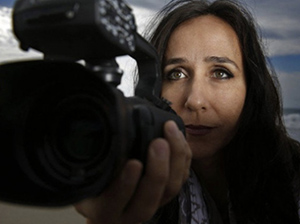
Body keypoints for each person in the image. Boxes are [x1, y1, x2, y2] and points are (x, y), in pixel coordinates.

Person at [74, 0, 300, 223]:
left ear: (251, 87)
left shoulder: (294, 177)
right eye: (176, 74)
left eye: (220, 73)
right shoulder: (133, 177)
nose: (195, 100)